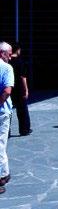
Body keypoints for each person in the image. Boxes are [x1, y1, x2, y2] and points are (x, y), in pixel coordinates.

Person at [0, 42, 14, 195]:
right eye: (8, 54)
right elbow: (7, 90)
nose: (10, 57)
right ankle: (2, 175)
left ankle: (4, 172)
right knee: (1, 143)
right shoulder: (6, 68)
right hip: (2, 111)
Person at [10, 43, 31, 136]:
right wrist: (26, 89)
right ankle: (24, 129)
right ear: (18, 50)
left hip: (9, 87)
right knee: (22, 110)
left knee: (8, 109)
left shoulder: (7, 61)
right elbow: (23, 77)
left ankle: (7, 130)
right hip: (19, 88)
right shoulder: (20, 62)